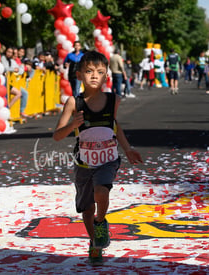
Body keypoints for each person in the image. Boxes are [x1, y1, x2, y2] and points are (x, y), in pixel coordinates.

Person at [53, 51, 142, 265]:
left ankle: (101, 222)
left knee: (101, 191)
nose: (95, 76)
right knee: (86, 208)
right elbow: (57, 135)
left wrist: (127, 148)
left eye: (100, 72)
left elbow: (114, 125)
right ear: (80, 75)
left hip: (108, 158)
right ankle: (94, 242)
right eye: (89, 71)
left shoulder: (114, 100)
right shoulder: (74, 103)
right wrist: (72, 125)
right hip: (84, 162)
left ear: (107, 76)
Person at [1, 46, 28, 115]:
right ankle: (5, 111)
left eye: (11, 53)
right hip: (2, 82)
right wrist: (13, 69)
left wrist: (20, 67)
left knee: (18, 93)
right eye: (8, 52)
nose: (9, 54)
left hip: (8, 82)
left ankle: (7, 109)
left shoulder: (12, 61)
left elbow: (20, 71)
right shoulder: (3, 58)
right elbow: (5, 68)